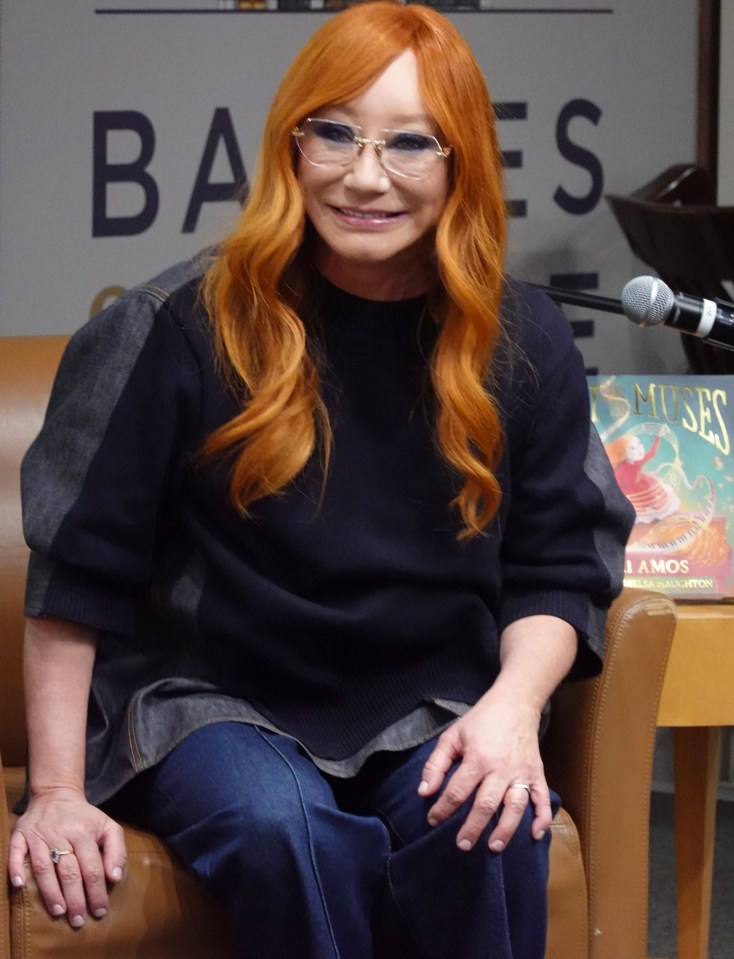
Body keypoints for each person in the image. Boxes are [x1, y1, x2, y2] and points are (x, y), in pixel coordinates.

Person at [8, 3, 634, 957]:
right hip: (210, 701)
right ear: (289, 145)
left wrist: (511, 711)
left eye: (410, 143)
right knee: (284, 829)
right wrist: (53, 792)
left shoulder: (523, 339)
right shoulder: (175, 325)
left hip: (433, 698)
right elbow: (73, 580)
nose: (365, 175)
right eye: (333, 132)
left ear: (461, 162)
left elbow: (560, 567)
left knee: (492, 822)